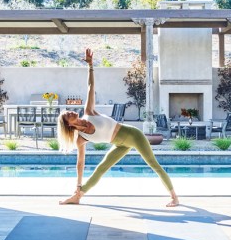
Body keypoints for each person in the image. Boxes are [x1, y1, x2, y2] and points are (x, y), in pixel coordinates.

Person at [59, 48, 179, 207]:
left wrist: (90, 65)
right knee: (101, 168)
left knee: (153, 164)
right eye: (68, 114)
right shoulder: (81, 138)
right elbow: (80, 163)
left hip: (134, 135)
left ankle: (174, 197)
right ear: (68, 124)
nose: (71, 112)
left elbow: (90, 86)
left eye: (69, 111)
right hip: (120, 144)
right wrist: (78, 185)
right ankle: (77, 196)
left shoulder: (89, 112)